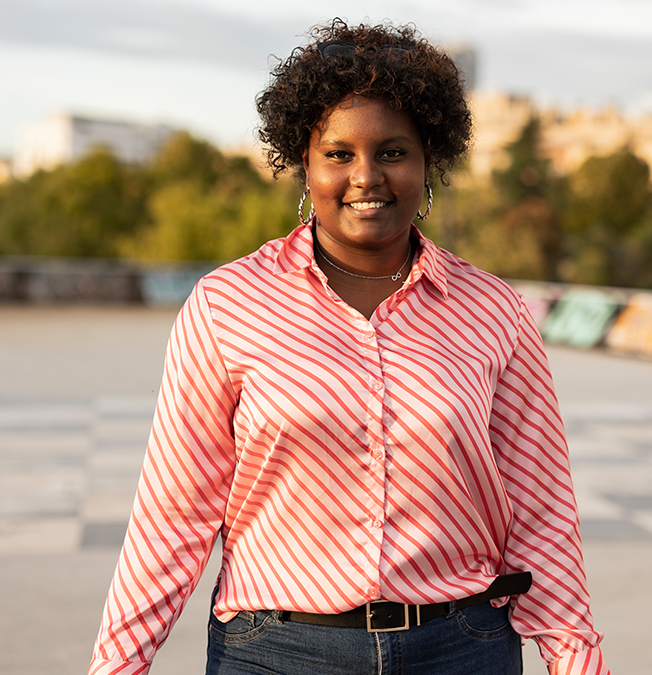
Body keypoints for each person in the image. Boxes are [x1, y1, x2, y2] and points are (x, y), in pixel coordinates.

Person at [89, 19, 609, 675]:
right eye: (339, 154)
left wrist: (577, 661)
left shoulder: (493, 311)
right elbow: (172, 517)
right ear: (303, 163)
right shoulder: (226, 306)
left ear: (428, 162)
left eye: (393, 151)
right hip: (278, 652)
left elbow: (542, 512)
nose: (367, 176)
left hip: (461, 648)